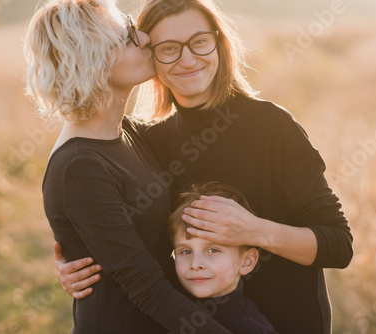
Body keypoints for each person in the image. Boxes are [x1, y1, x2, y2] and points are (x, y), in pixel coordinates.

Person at [54, 0, 354, 333]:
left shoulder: (274, 128)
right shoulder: (148, 141)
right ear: (149, 54)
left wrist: (254, 231)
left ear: (219, 43)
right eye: (169, 48)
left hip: (289, 322)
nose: (187, 59)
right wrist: (83, 256)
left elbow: (338, 245)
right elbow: (131, 236)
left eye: (199, 42)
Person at [25, 0, 234, 333]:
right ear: (91, 60)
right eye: (127, 39)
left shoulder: (129, 132)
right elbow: (144, 285)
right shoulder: (79, 166)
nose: (145, 40)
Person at [168, 181, 278, 334]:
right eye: (185, 252)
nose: (195, 264)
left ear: (247, 261)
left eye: (213, 250)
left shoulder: (252, 329)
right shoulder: (165, 310)